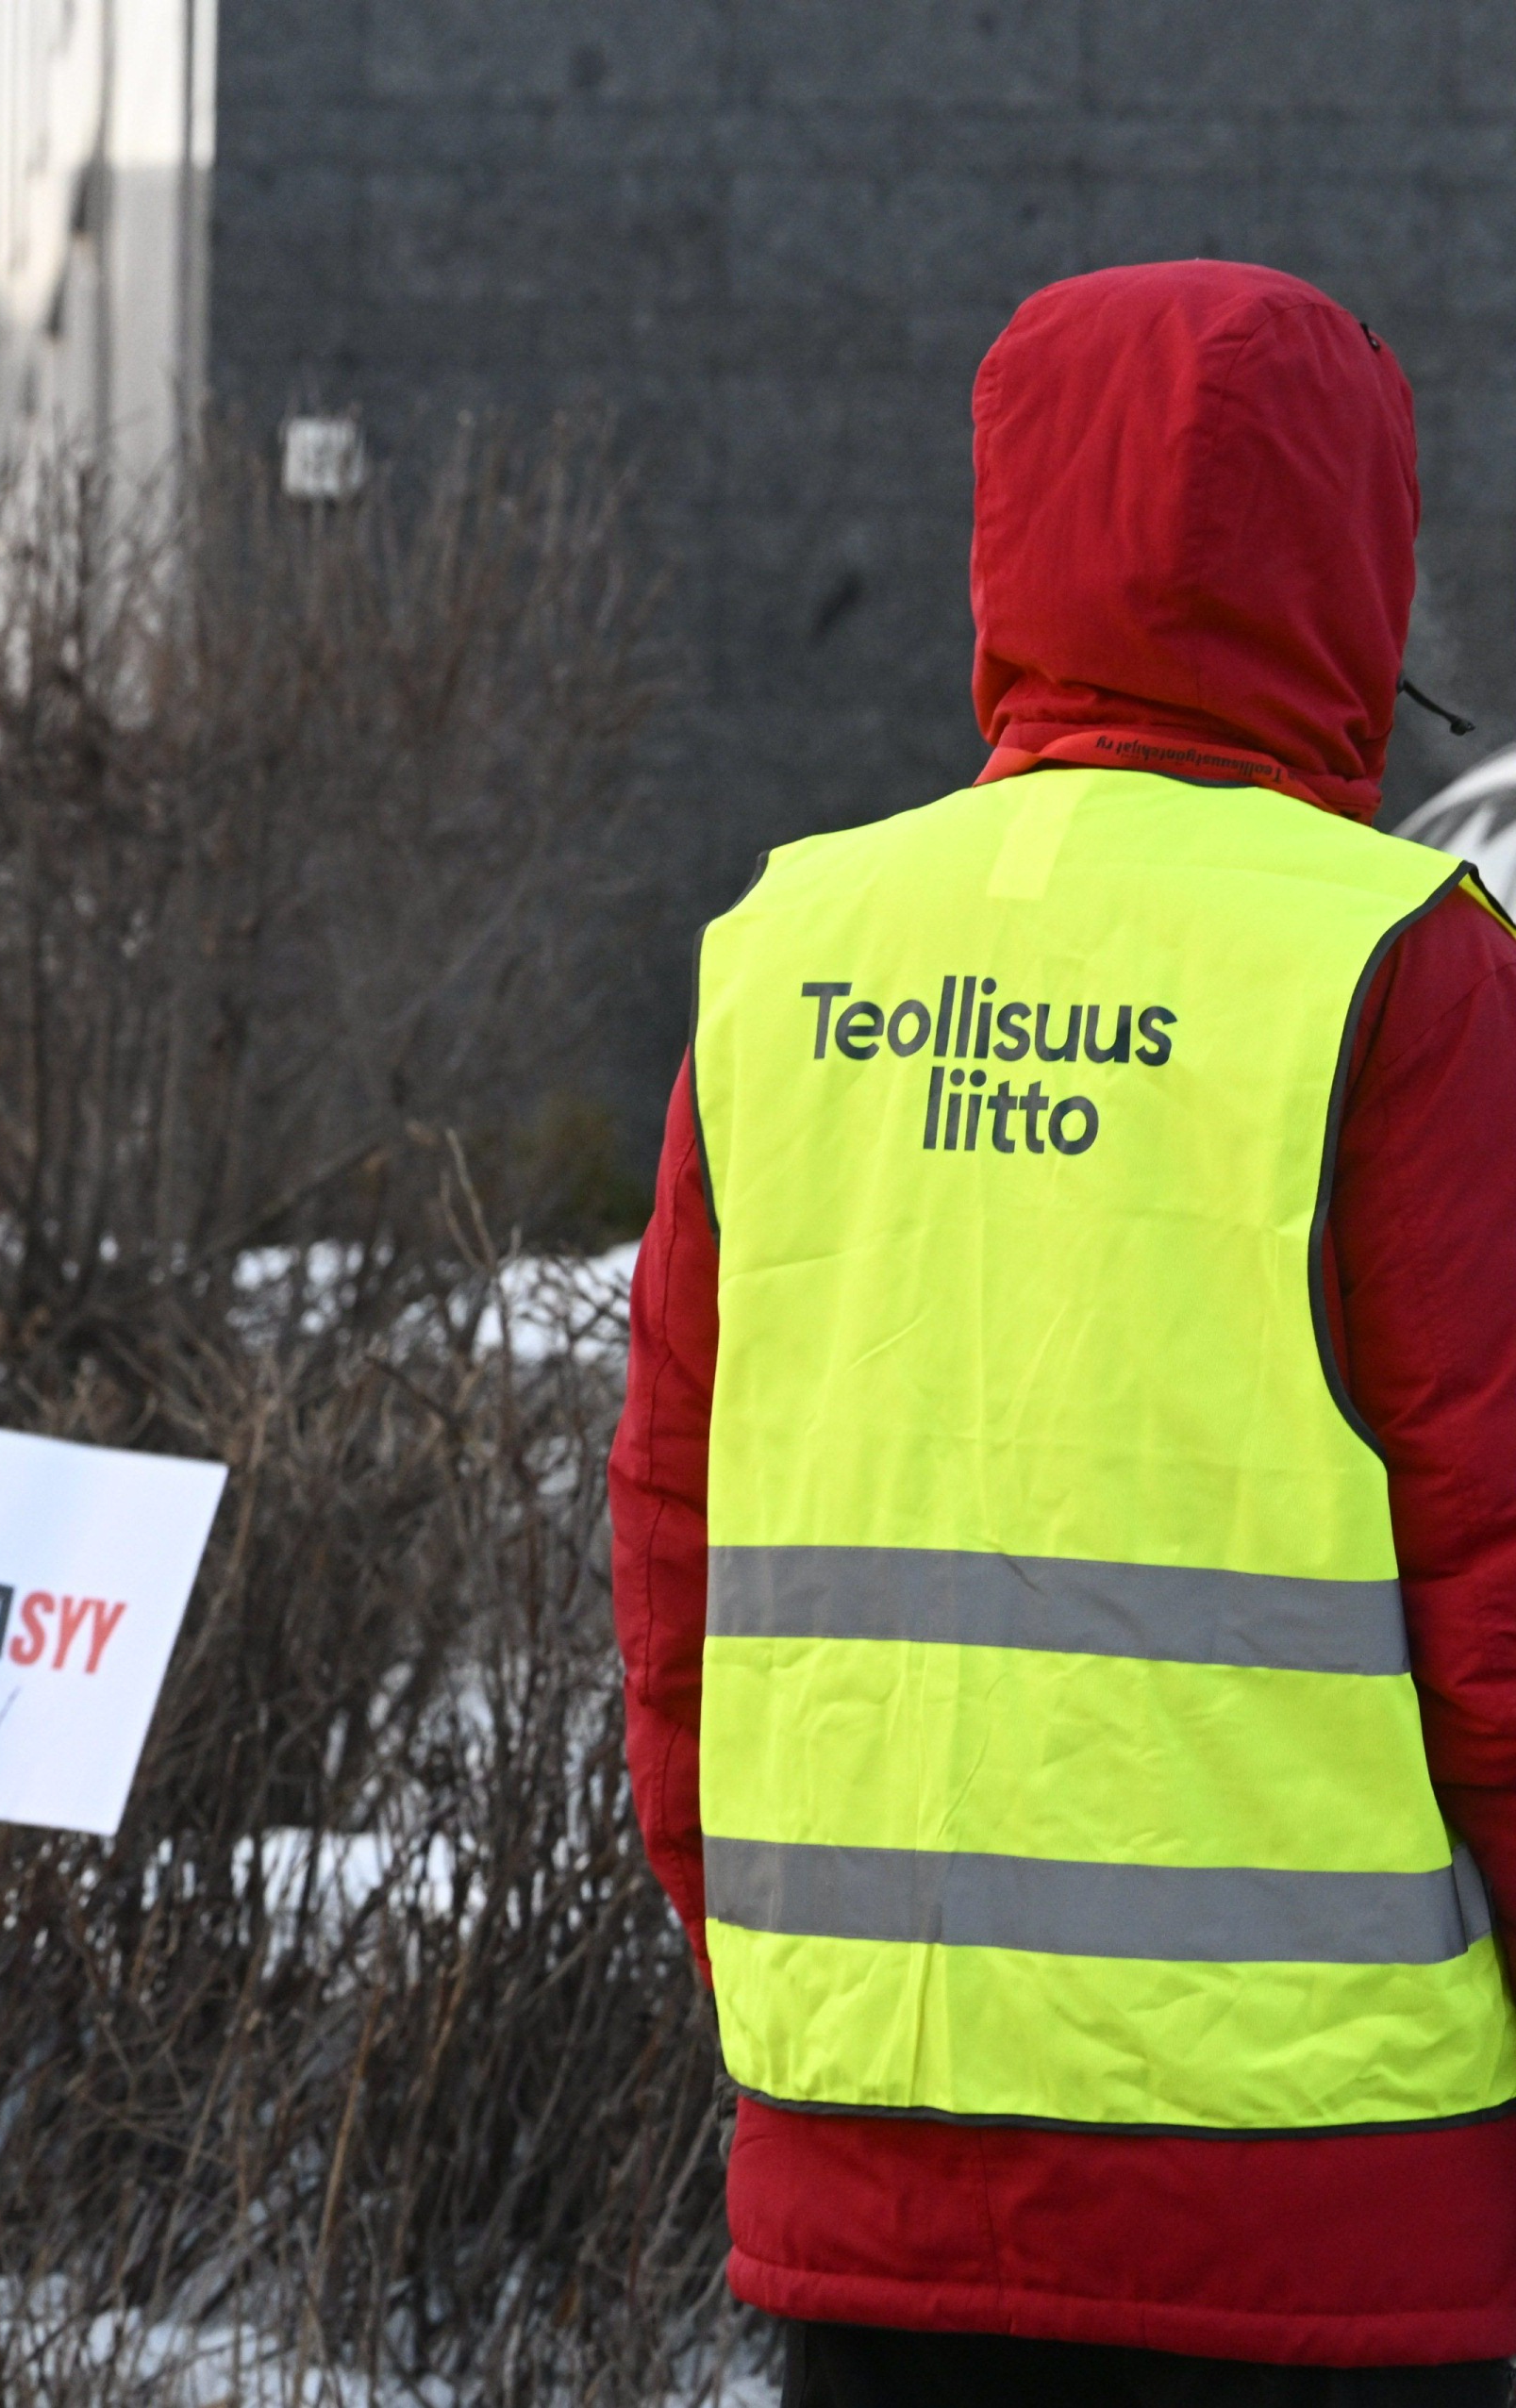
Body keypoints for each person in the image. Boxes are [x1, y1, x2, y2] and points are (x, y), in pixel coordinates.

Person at [613, 259, 1516, 2406]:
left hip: (868, 2196)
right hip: (1322, 2199)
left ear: (1001, 535)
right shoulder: (1402, 966)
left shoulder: (788, 956)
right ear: (1358, 553)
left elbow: (674, 1576)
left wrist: (809, 2008)